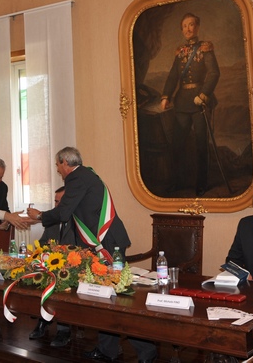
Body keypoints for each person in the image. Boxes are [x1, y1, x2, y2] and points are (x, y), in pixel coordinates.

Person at [27, 147, 157, 363]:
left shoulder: (76, 178)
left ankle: (146, 351)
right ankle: (109, 350)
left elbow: (64, 212)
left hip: (105, 244)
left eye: (58, 165)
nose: (58, 169)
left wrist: (39, 215)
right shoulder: (87, 174)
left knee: (118, 299)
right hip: (104, 242)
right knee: (107, 299)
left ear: (64, 162)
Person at [159, 13, 220, 195]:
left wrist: (203, 95)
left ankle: (201, 184)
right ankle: (177, 182)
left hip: (200, 102)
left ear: (197, 27)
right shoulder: (180, 52)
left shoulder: (205, 48)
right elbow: (172, 76)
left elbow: (214, 73)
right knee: (177, 144)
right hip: (182, 103)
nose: (188, 29)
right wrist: (166, 96)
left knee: (201, 144)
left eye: (191, 25)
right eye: (184, 26)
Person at [30, 186, 75, 348]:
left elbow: (83, 250)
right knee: (38, 276)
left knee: (62, 283)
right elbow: (43, 243)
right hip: (51, 264)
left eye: (61, 202)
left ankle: (64, 330)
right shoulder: (52, 220)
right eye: (55, 201)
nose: (57, 205)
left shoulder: (79, 221)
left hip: (72, 268)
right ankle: (43, 320)